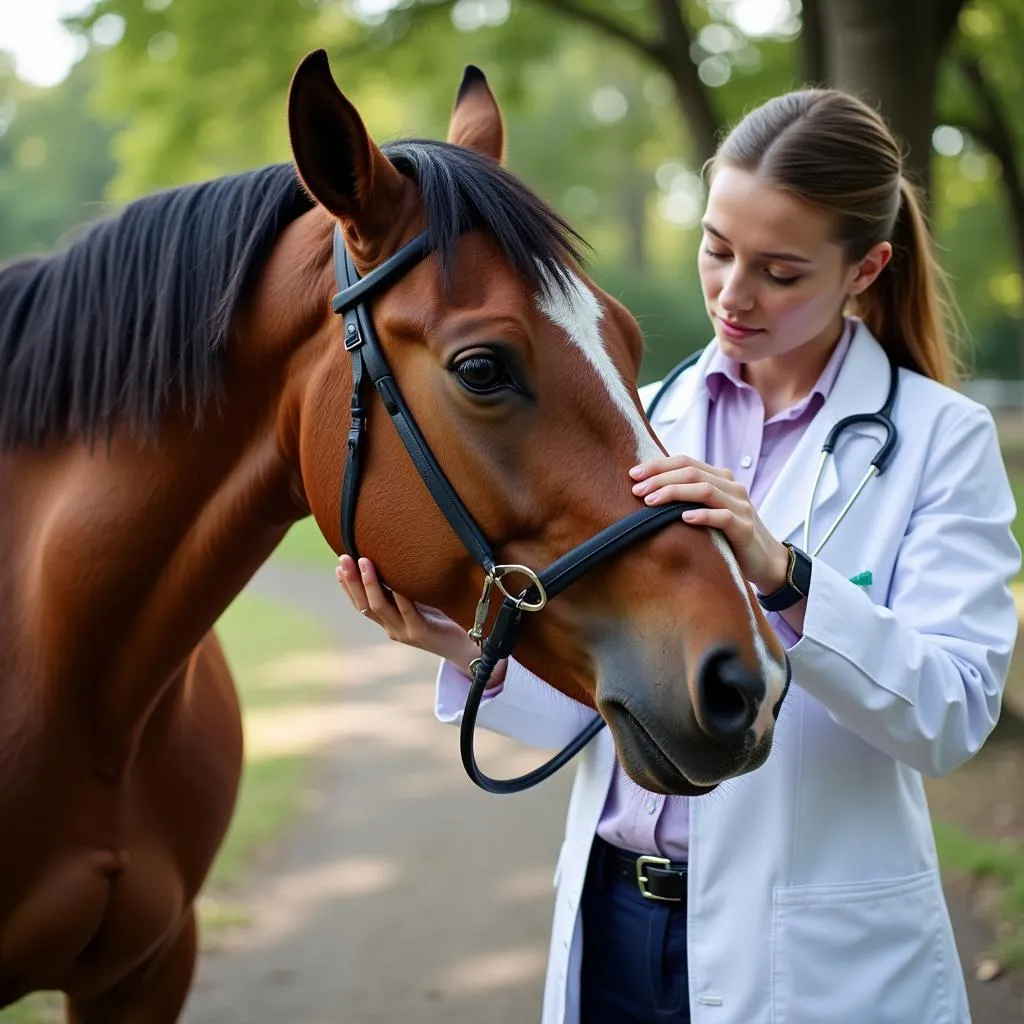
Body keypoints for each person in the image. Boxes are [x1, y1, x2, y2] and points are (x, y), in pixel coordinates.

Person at [335, 88, 1020, 1024]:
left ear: (867, 267)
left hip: (814, 963)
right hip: (615, 923)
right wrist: (461, 647)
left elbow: (953, 715)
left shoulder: (942, 438)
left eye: (780, 272)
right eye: (717, 248)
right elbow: (617, 695)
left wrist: (786, 577)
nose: (735, 294)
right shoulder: (639, 407)